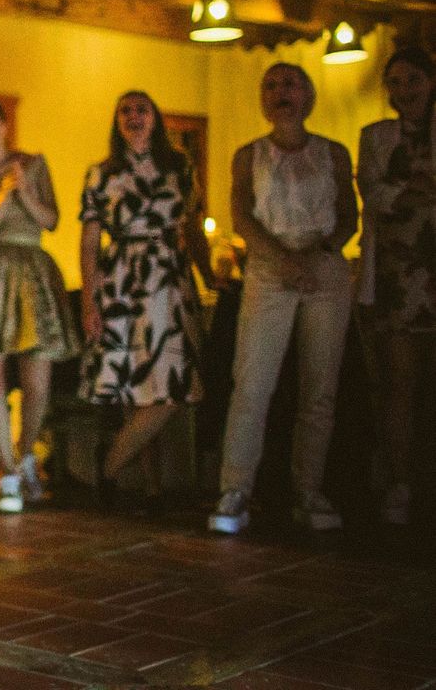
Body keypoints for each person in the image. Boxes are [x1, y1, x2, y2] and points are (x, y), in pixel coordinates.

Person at [208, 63, 357, 534]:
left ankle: (308, 491)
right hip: (269, 270)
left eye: (290, 83)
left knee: (320, 387)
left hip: (325, 269)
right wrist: (282, 259)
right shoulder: (247, 156)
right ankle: (235, 490)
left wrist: (316, 255)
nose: (280, 92)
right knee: (251, 384)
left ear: (307, 95)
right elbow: (242, 217)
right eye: (270, 85)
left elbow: (350, 216)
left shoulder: (333, 153)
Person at [79, 90, 212, 507]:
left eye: (141, 110)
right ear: (116, 121)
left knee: (171, 386)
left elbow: (192, 227)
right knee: (136, 384)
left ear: (156, 117)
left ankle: (109, 465)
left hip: (170, 277)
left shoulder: (179, 168)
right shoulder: (101, 173)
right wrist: (89, 297)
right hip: (122, 279)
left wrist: (210, 276)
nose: (134, 117)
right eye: (125, 111)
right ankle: (149, 487)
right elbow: (88, 240)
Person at [0, 97, 80, 512]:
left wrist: (23, 188)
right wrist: (3, 195)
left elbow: (51, 220)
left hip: (33, 273)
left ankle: (26, 459)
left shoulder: (33, 165)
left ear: (5, 126)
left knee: (37, 379)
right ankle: (6, 470)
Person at [356, 47, 435, 526]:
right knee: (398, 382)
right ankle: (400, 482)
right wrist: (410, 191)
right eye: (395, 82)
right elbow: (371, 192)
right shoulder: (377, 136)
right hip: (398, 271)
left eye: (413, 80)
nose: (403, 91)